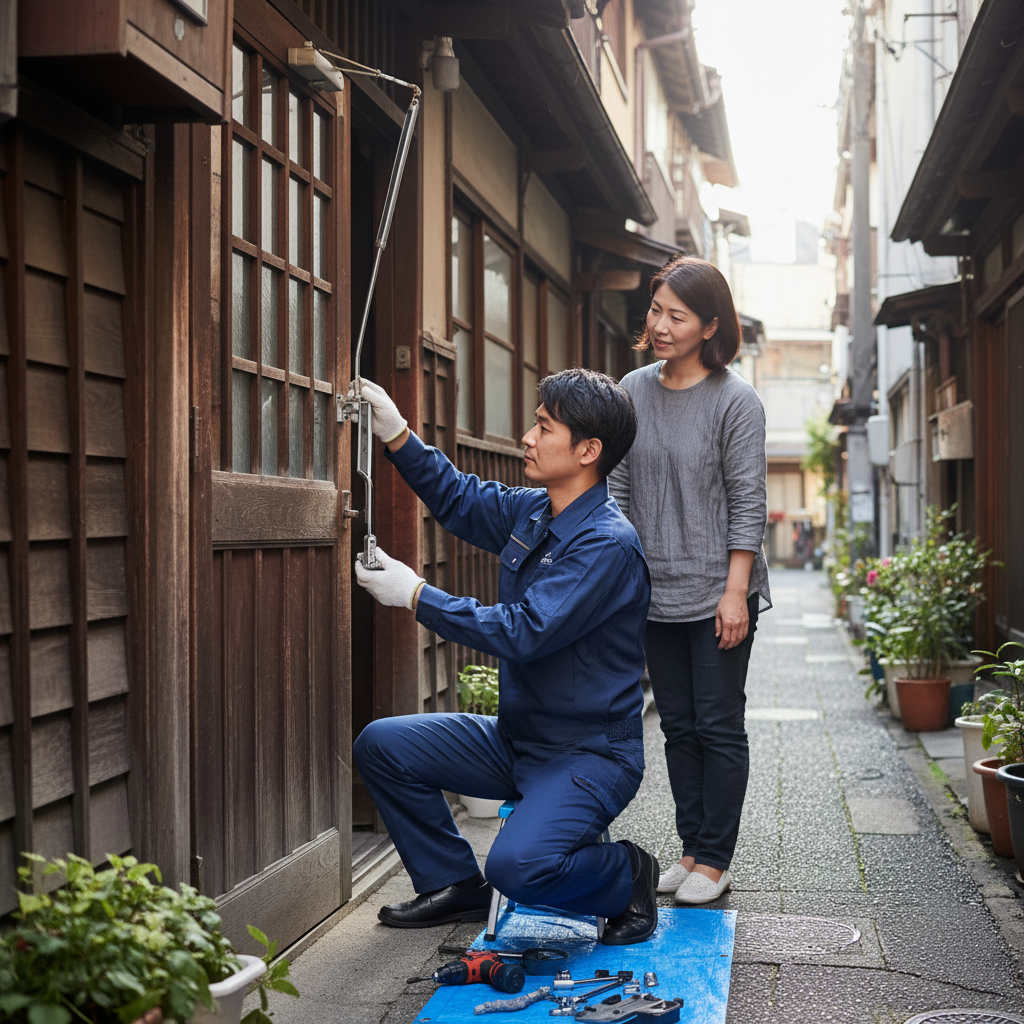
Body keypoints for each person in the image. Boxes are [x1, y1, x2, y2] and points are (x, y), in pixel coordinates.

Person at [351, 367, 660, 945]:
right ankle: (455, 885)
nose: (528, 437)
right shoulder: (536, 509)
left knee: (518, 869)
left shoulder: (606, 544)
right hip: (518, 738)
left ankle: (627, 873)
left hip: (589, 753)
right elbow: (460, 498)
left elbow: (524, 631)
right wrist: (396, 434)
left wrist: (415, 595)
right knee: (383, 746)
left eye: (544, 427)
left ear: (588, 450)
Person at [608, 255, 770, 906]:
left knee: (718, 724)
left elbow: (748, 502)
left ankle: (716, 860)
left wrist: (736, 591)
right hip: (655, 591)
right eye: (656, 310)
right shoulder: (630, 390)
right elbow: (615, 488)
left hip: (718, 589)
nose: (662, 325)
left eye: (678, 315)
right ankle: (691, 850)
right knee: (676, 726)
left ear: (709, 326)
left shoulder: (736, 400)